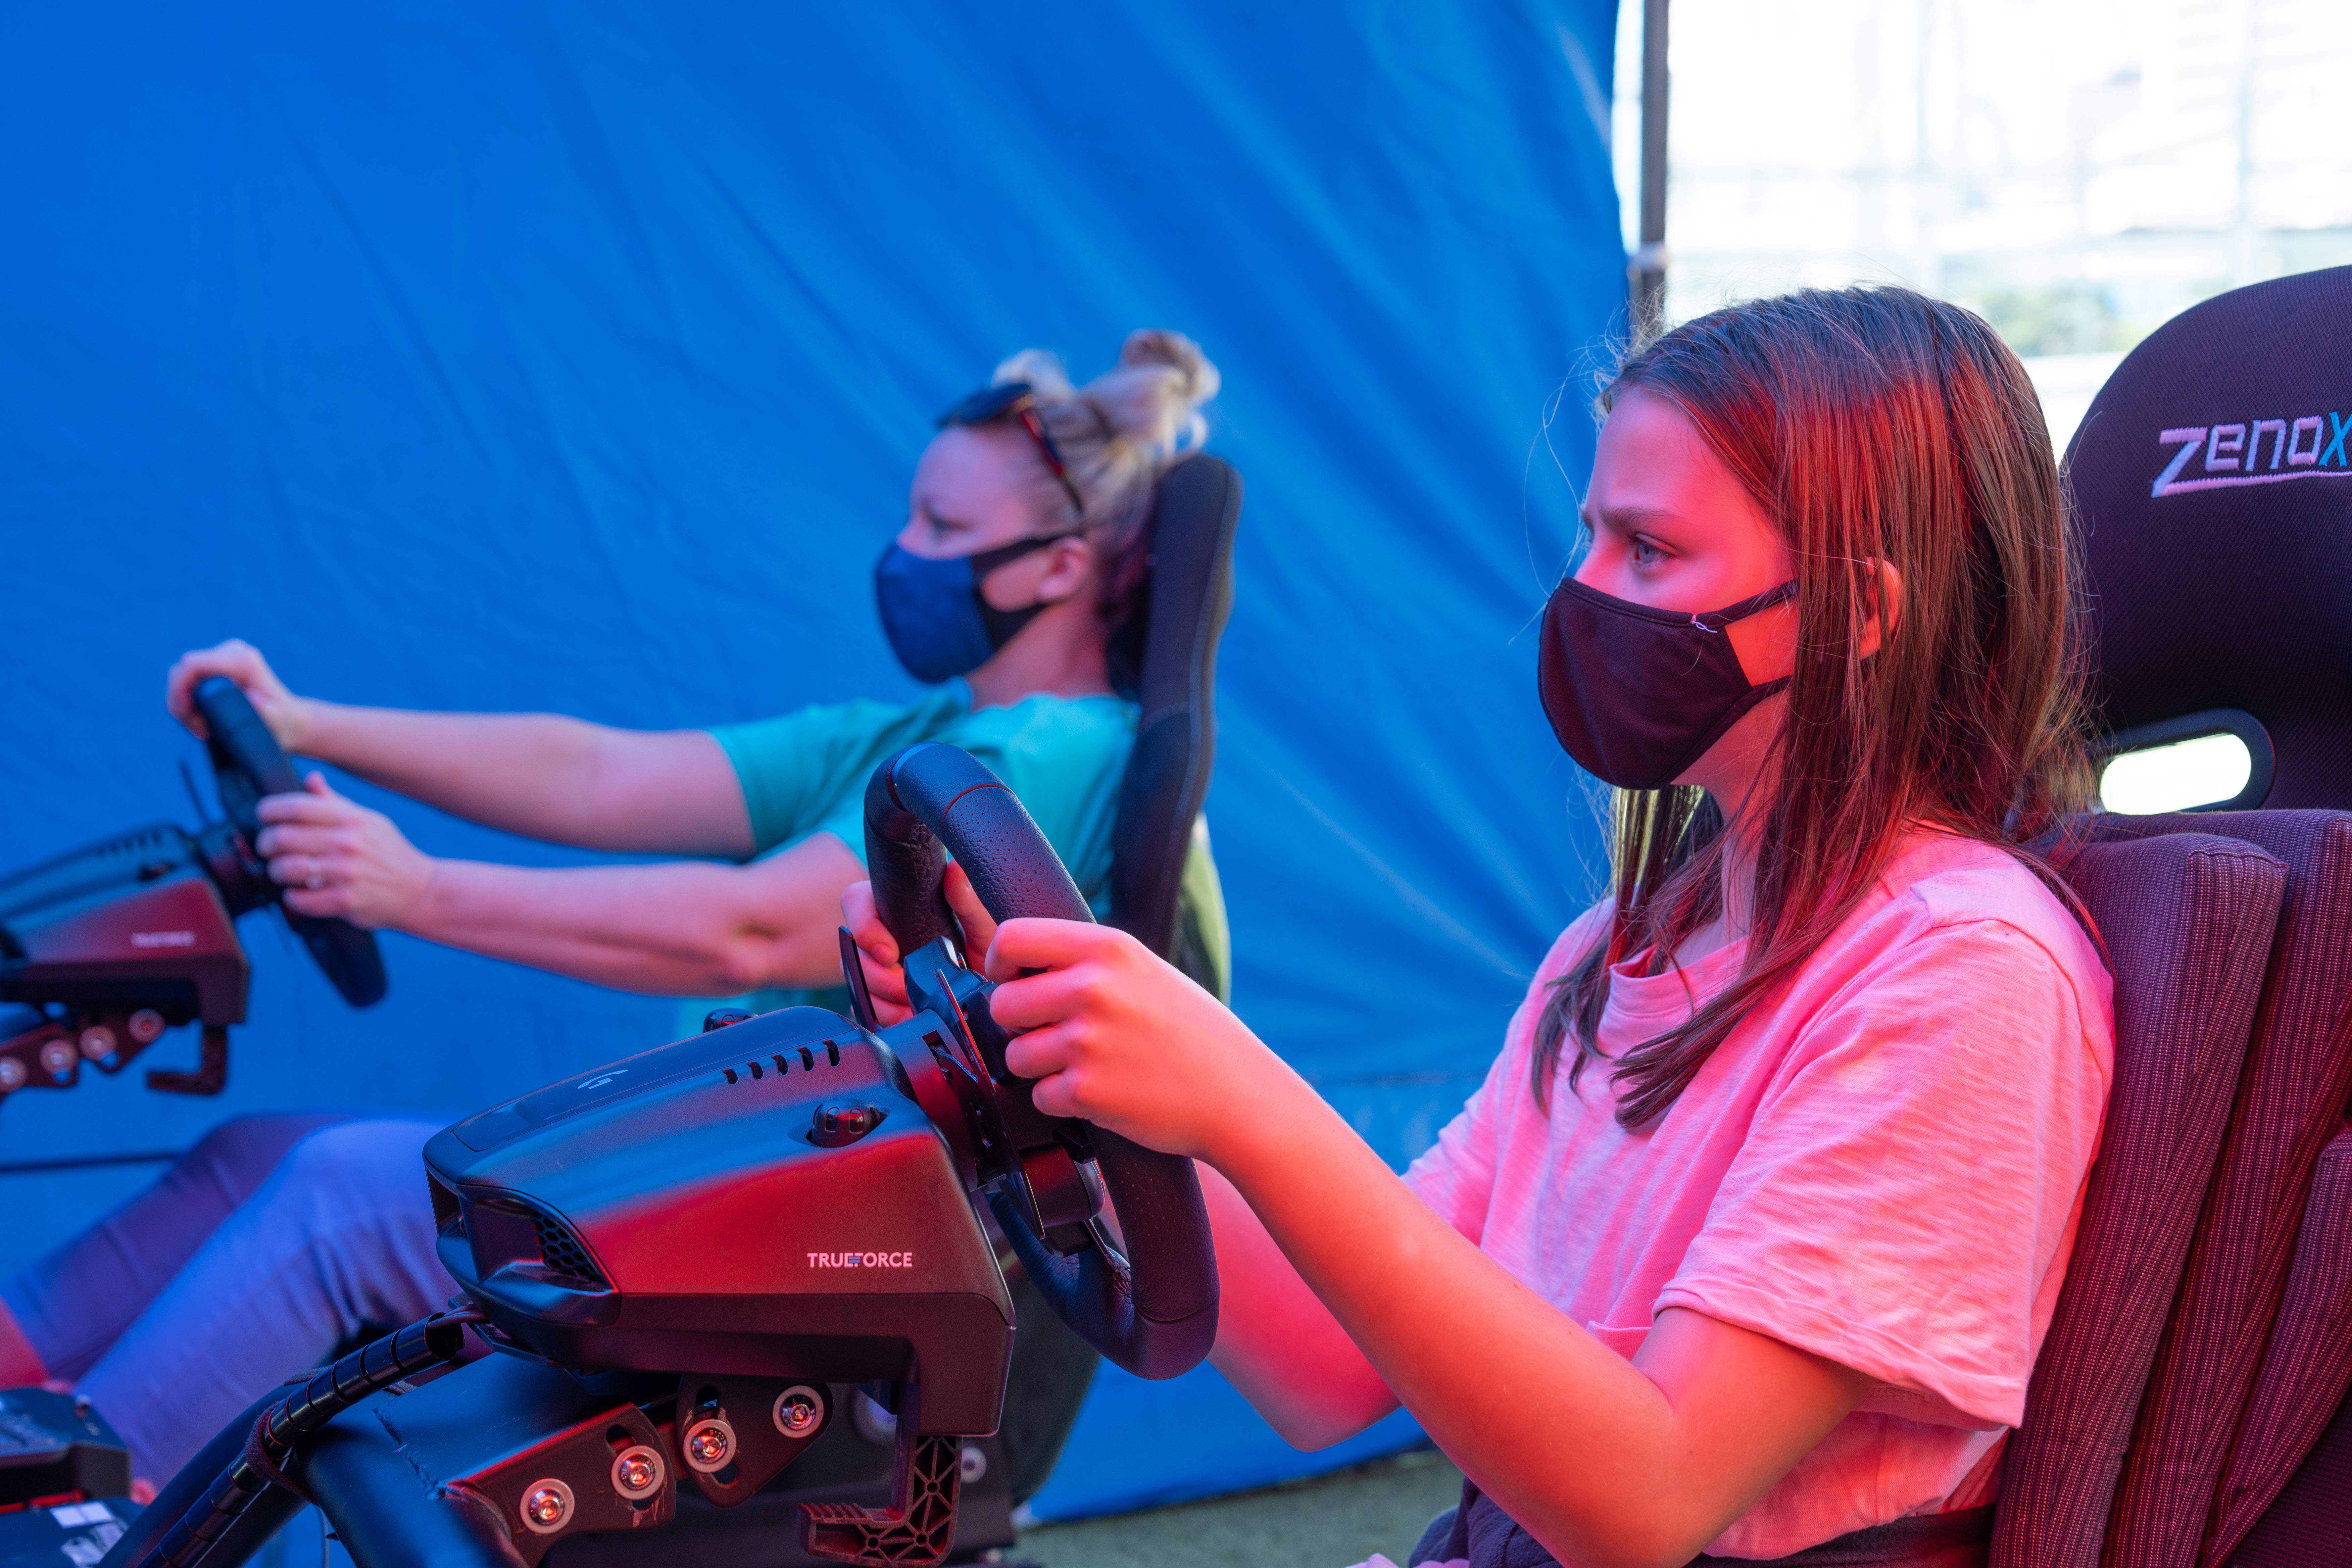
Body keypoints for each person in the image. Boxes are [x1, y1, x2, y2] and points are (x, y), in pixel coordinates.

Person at [846, 288, 2112, 1568]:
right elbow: (1331, 1371)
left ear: (1859, 616)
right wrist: (1044, 1062)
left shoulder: (1960, 974)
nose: (1581, 591)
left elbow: (1652, 1497)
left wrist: (1238, 1094)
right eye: (1589, 538)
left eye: (1649, 551)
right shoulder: (1615, 955)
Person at [0, 329, 1223, 1485]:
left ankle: (84, 1517)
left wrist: (415, 888)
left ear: (1060, 565)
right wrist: (308, 724)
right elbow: (599, 774)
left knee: (332, 1202)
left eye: (943, 527)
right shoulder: (919, 732)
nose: (904, 550)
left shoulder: (1047, 756)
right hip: (733, 1189)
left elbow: (747, 929)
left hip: (805, 1243)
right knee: (253, 1155)